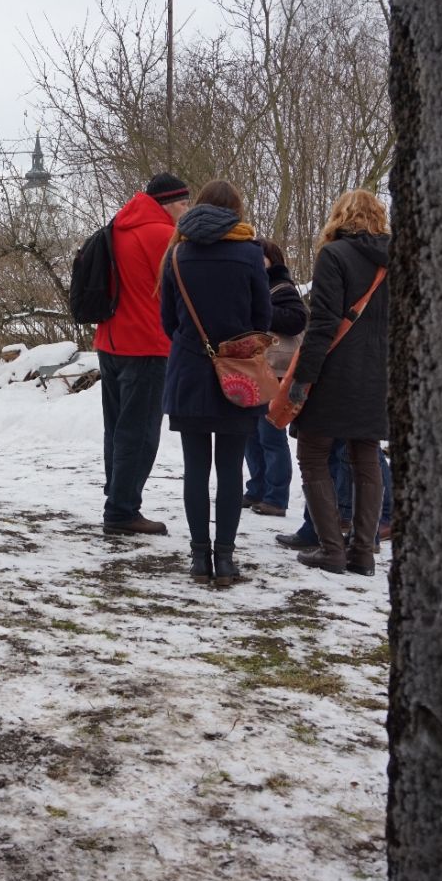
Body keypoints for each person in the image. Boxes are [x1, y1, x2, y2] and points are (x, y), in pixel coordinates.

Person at [160, 180, 272, 585]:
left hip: (189, 372)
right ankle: (224, 559)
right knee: (229, 468)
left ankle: (198, 558)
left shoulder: (177, 254)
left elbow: (168, 322)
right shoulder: (250, 254)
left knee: (195, 468)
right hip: (237, 374)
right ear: (235, 211)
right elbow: (263, 318)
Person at [288, 189, 390, 578]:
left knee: (313, 454)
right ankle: (363, 553)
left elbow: (324, 323)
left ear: (340, 216)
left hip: (335, 371)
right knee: (366, 455)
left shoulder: (334, 254)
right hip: (378, 372)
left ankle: (332, 549)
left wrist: (303, 378)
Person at [93, 172, 190, 536]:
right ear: (168, 204)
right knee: (141, 432)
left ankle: (117, 494)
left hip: (110, 341)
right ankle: (122, 510)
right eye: (184, 203)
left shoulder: (118, 226)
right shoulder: (163, 235)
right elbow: (178, 292)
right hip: (147, 344)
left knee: (117, 428)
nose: (187, 210)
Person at [243, 239, 307, 516]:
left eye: (261, 257)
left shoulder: (282, 287)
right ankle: (257, 488)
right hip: (253, 368)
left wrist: (260, 310)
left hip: (275, 370)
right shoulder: (251, 284)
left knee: (270, 433)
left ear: (272, 260)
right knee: (250, 434)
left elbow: (296, 320)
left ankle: (276, 497)